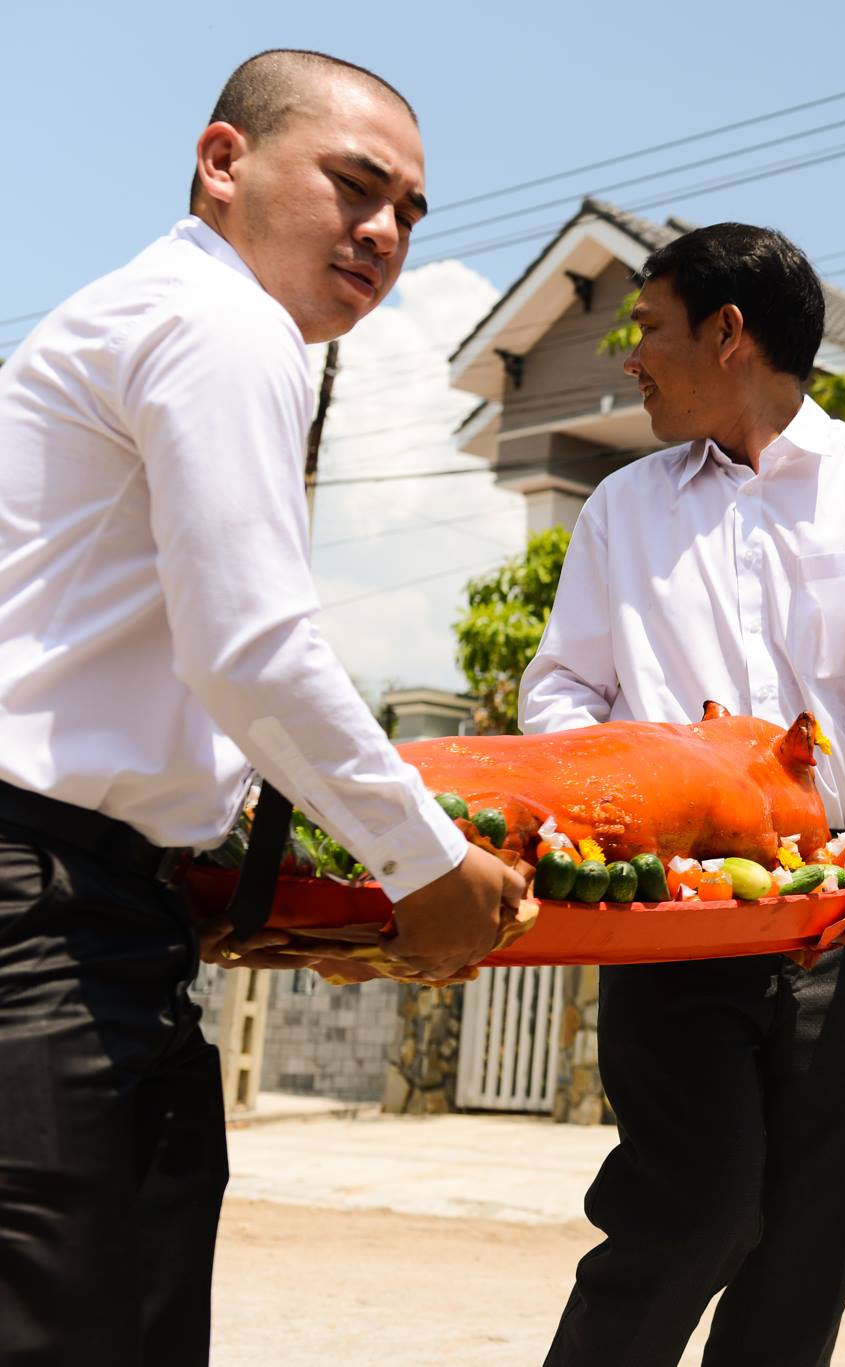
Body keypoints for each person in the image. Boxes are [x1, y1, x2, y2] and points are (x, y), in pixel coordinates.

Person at [0, 51, 525, 1366]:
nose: (387, 231)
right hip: (37, 910)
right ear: (223, 160)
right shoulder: (220, 321)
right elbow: (253, 648)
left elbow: (176, 665)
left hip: (97, 906)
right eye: (357, 185)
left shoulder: (187, 321)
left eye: (411, 209)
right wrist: (426, 864)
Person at [522, 223, 845, 1367]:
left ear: (730, 333)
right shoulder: (620, 510)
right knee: (688, 1212)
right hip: (674, 912)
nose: (627, 359)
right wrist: (617, 795)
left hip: (842, 899)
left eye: (647, 329)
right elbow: (560, 683)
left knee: (804, 1255)